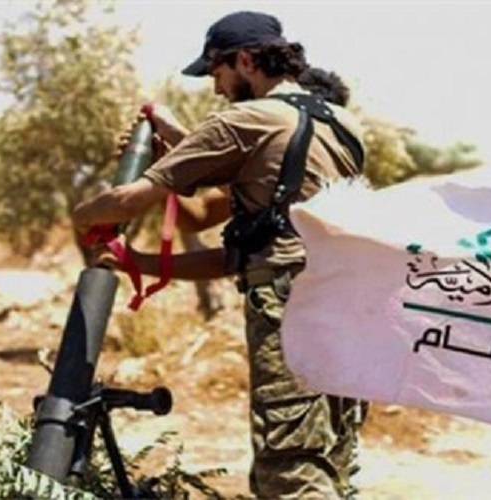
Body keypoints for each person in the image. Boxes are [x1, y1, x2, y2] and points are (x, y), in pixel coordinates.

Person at [72, 11, 367, 499]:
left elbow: (128, 201)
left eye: (216, 72)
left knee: (290, 469)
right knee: (331, 460)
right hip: (353, 307)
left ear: (246, 60)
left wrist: (83, 217)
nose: (216, 88)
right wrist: (138, 261)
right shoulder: (341, 125)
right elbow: (228, 241)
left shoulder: (246, 119)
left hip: (290, 310)